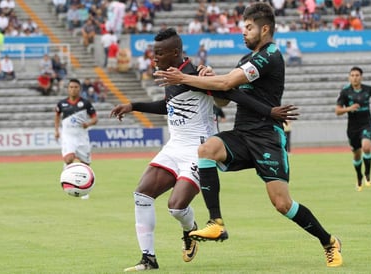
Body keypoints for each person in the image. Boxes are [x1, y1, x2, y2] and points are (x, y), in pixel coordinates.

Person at [154, 3, 342, 268]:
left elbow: (227, 83)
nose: (243, 32)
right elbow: (224, 99)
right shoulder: (246, 60)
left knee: (282, 204)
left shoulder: (270, 55)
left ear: (265, 29)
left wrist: (187, 79)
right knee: (207, 149)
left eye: (249, 27)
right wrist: (210, 78)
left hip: (266, 136)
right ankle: (216, 223)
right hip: (243, 133)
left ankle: (328, 241)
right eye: (243, 27)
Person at [110, 27, 298, 272]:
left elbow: (230, 93)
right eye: (153, 52)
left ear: (175, 52)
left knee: (176, 207)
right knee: (141, 195)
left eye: (159, 53)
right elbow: (169, 106)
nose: (153, 57)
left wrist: (269, 111)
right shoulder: (172, 74)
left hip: (198, 148)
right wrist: (133, 106)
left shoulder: (194, 73)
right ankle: (149, 259)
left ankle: (190, 229)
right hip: (174, 146)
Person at [335, 66, 371, 191]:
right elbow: (337, 111)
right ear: (349, 77)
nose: (355, 78)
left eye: (357, 75)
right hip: (352, 127)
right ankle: (359, 176)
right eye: (352, 75)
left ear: (361, 77)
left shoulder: (368, 89)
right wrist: (348, 109)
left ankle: (367, 174)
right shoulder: (345, 92)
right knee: (356, 155)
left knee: (366, 147)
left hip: (366, 123)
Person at [54, 78, 98, 199]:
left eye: (76, 87)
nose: (73, 89)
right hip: (68, 136)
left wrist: (88, 124)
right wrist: (56, 130)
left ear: (80, 89)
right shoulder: (61, 104)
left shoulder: (86, 103)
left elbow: (95, 118)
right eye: (71, 87)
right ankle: (66, 180)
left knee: (86, 163)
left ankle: (85, 187)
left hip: (82, 137)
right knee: (69, 159)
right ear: (68, 89)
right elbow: (57, 116)